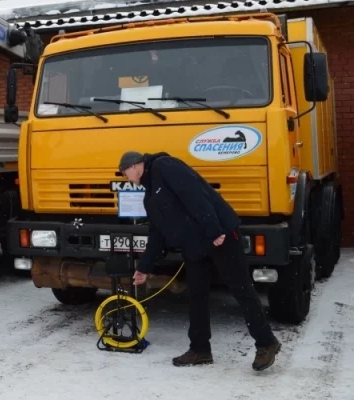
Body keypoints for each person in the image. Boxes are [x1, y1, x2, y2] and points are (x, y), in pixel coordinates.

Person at [117, 150, 281, 371]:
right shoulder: (150, 195)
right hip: (195, 246)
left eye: (125, 172)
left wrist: (214, 230)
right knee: (197, 295)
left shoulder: (165, 166)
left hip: (220, 237)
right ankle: (200, 349)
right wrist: (144, 267)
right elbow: (157, 233)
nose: (126, 178)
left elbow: (194, 195)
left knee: (241, 289)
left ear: (136, 165)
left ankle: (266, 342)